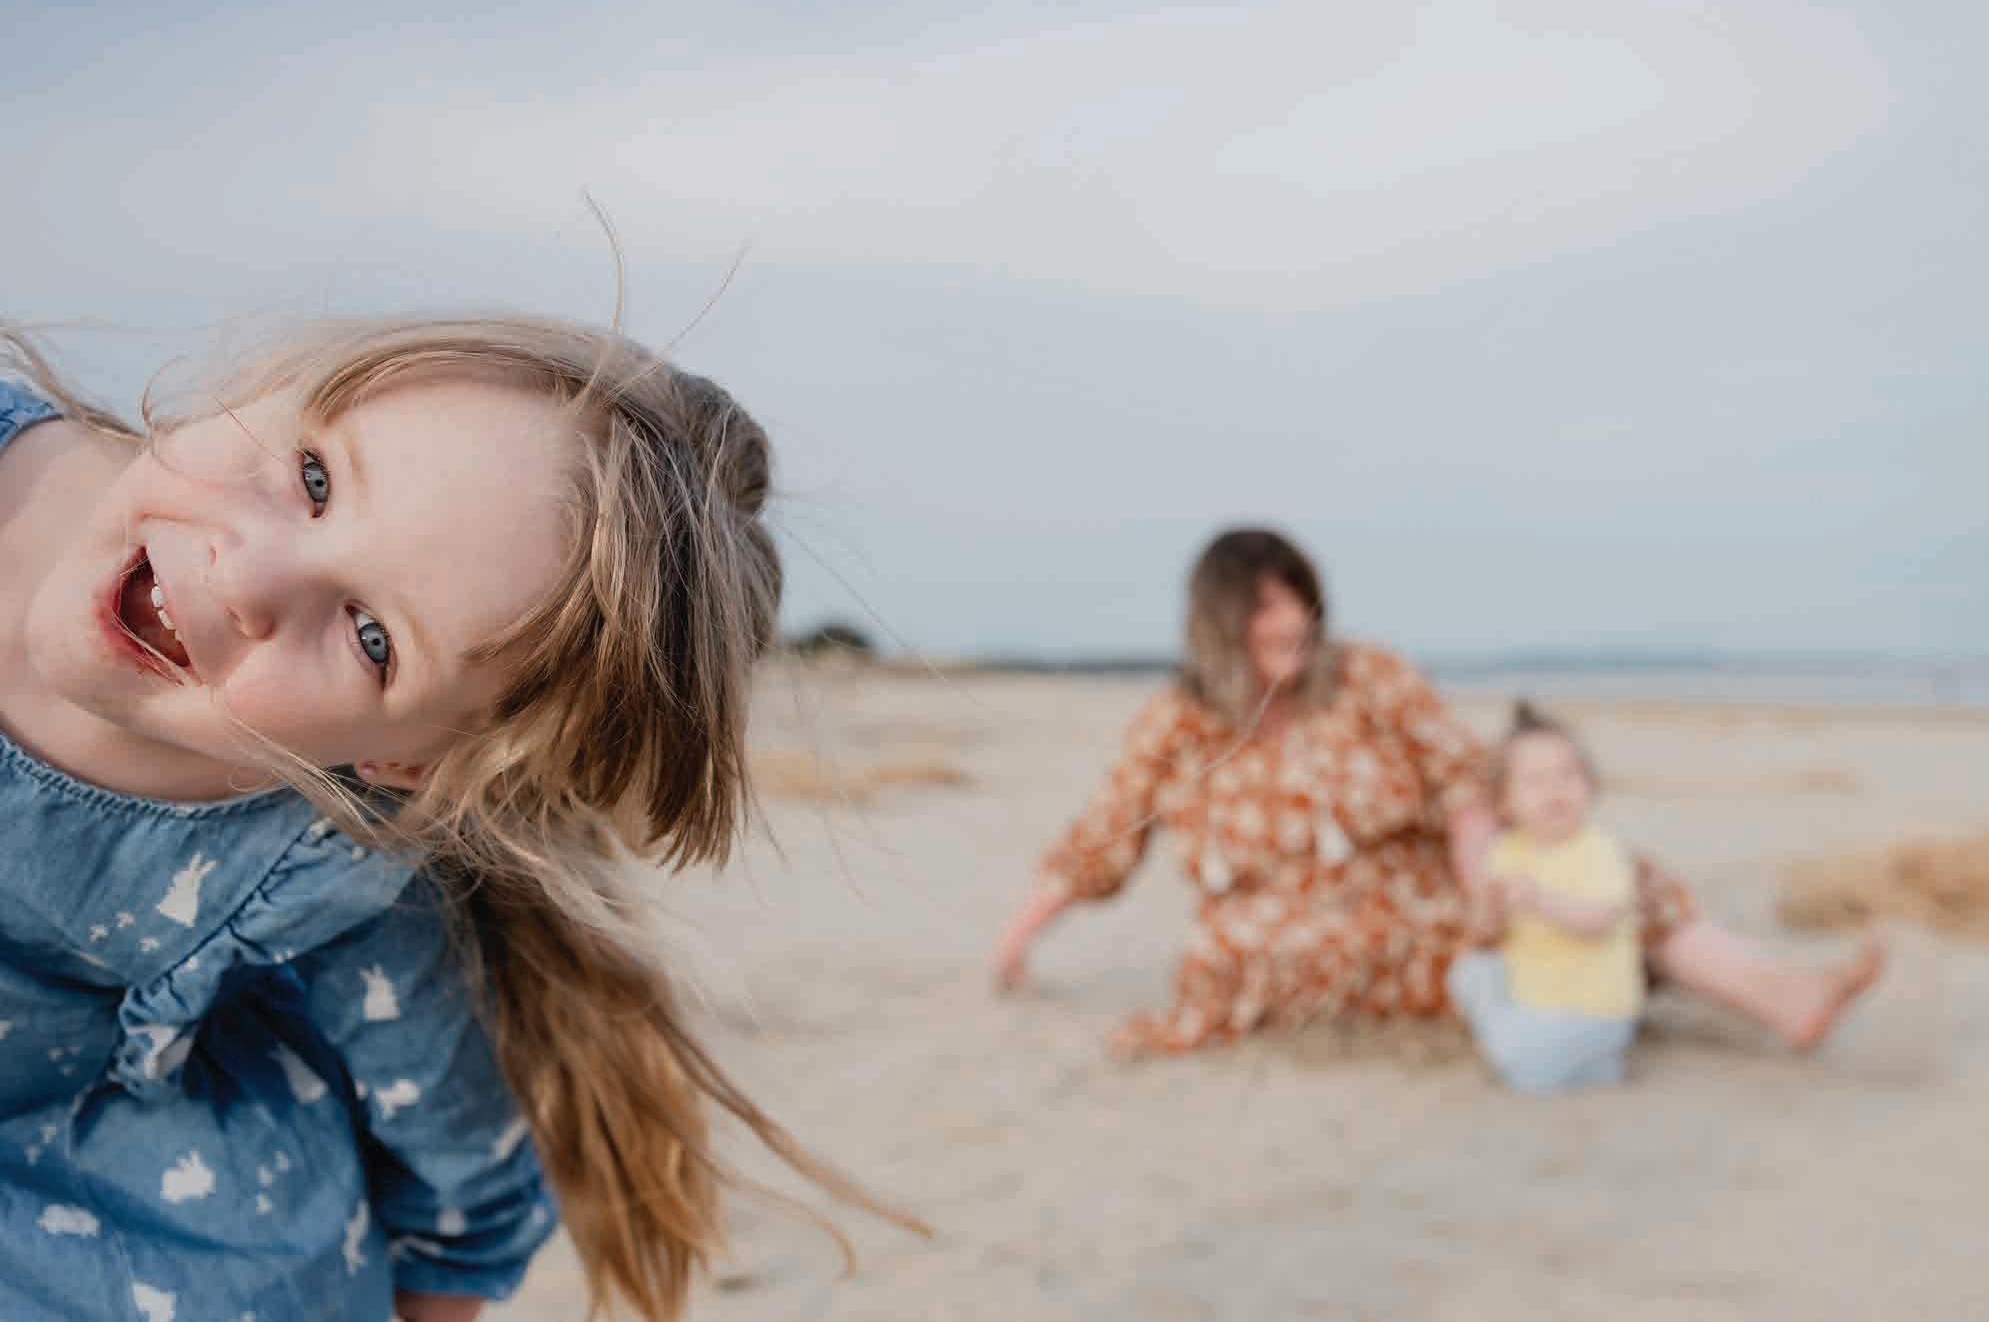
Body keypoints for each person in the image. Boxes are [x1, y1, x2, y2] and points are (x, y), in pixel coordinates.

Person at [0, 319, 910, 1322]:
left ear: (402, 764)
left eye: (373, 639)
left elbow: (458, 1164)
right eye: (314, 478)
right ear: (266, 382)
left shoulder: (321, 847)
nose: (244, 576)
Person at [992, 528, 1884, 1059]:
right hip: (1271, 931)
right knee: (1479, 952)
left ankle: (1782, 995)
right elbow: (1104, 837)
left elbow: (1460, 774)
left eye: (1298, 602)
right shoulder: (1176, 722)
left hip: (1423, 878)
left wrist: (1480, 866)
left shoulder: (1369, 675)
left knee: (1600, 879)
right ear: (1219, 622)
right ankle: (1585, 1000)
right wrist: (1017, 941)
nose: (1290, 623)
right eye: (1264, 610)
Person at [1448, 703, 1641, 1093]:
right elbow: (1488, 932)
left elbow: (1599, 921)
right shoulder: (1506, 852)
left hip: (1595, 1011)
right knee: (1471, 972)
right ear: (1505, 802)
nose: (1555, 790)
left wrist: (1541, 901)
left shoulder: (1600, 850)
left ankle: (1555, 1057)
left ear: (1590, 785)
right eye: (1535, 781)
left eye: (1568, 775)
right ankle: (1555, 1057)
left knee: (1526, 1071)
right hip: (1533, 1003)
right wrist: (1488, 907)